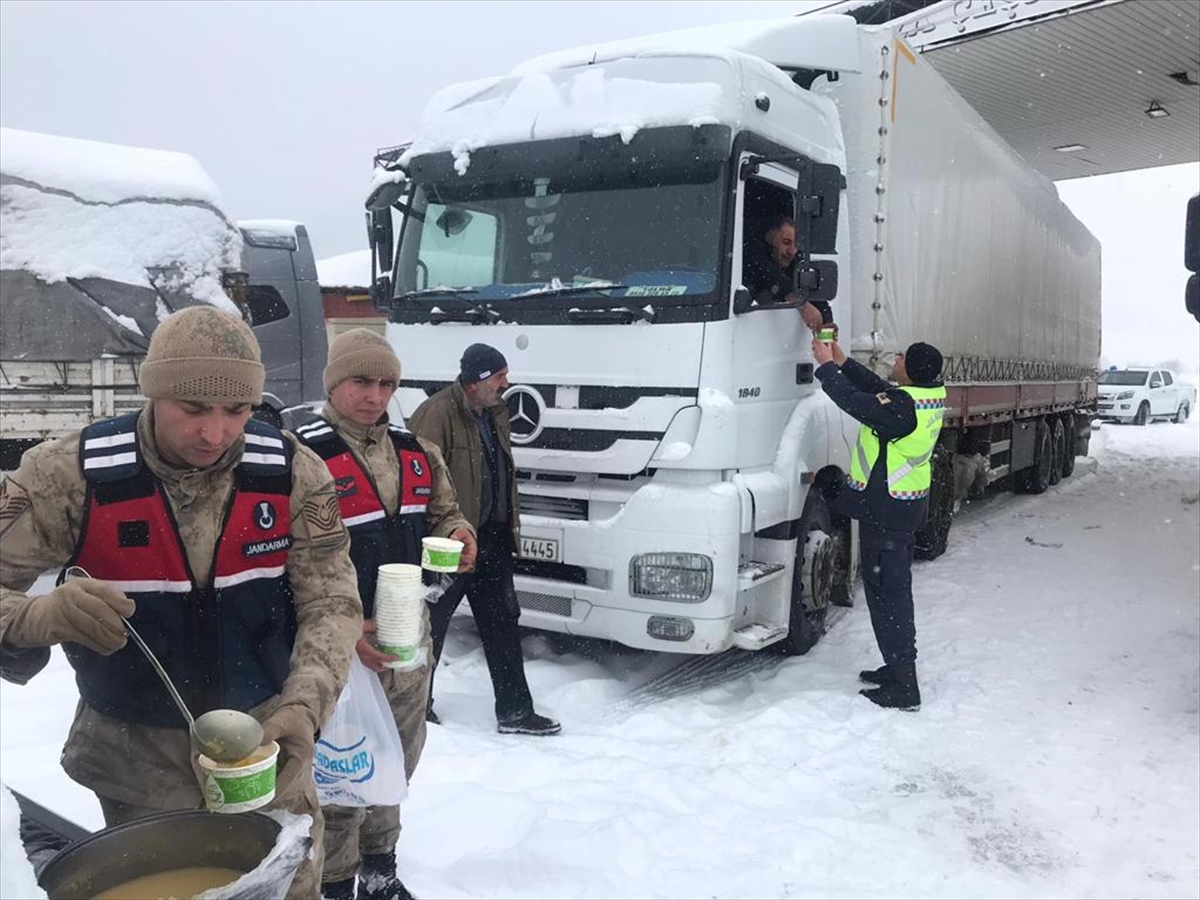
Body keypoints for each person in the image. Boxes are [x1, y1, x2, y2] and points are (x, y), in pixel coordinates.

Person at [0, 305, 363, 899]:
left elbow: (333, 601)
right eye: (193, 408)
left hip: (268, 748)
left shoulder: (292, 474)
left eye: (237, 410)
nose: (215, 433)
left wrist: (306, 705)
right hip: (136, 761)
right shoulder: (68, 475)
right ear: (154, 391)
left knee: (290, 887)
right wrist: (33, 617)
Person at [292, 329, 476, 900]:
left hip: (406, 635)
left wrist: (460, 533)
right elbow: (283, 562)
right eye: (361, 382)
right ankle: (337, 881)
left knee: (396, 755)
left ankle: (380, 871)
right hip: (335, 640)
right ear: (334, 383)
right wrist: (340, 633)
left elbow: (443, 512)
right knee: (341, 767)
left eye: (387, 384)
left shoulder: (416, 449)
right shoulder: (298, 453)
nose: (375, 395)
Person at [406, 343, 561, 736]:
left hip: (491, 538)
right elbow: (418, 481)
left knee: (503, 624)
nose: (505, 384)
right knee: (430, 627)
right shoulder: (435, 414)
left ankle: (515, 711)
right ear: (476, 381)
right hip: (449, 543)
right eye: (498, 376)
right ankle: (415, 710)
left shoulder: (496, 413)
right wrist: (436, 534)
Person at [810, 336, 946, 711]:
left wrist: (825, 368)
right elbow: (880, 391)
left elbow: (857, 403)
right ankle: (895, 668)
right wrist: (842, 362)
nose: (896, 358)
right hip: (899, 510)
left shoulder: (904, 410)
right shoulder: (920, 397)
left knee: (891, 596)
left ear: (911, 368)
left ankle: (905, 686)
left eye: (901, 356)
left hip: (888, 514)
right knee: (888, 592)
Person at [743, 213, 832, 331]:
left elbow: (816, 297)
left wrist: (827, 328)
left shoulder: (795, 262)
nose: (792, 251)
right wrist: (802, 305)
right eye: (786, 242)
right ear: (770, 238)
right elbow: (770, 275)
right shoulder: (751, 258)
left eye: (796, 245)